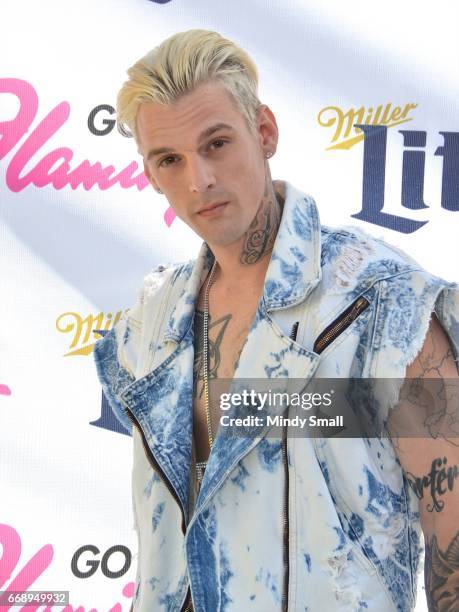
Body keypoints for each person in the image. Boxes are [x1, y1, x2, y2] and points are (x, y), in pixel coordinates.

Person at [93, 29, 459, 611]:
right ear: (150, 172)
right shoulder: (152, 322)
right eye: (170, 159)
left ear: (264, 132)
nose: (199, 181)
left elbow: (453, 531)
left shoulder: (381, 301)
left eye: (216, 144)